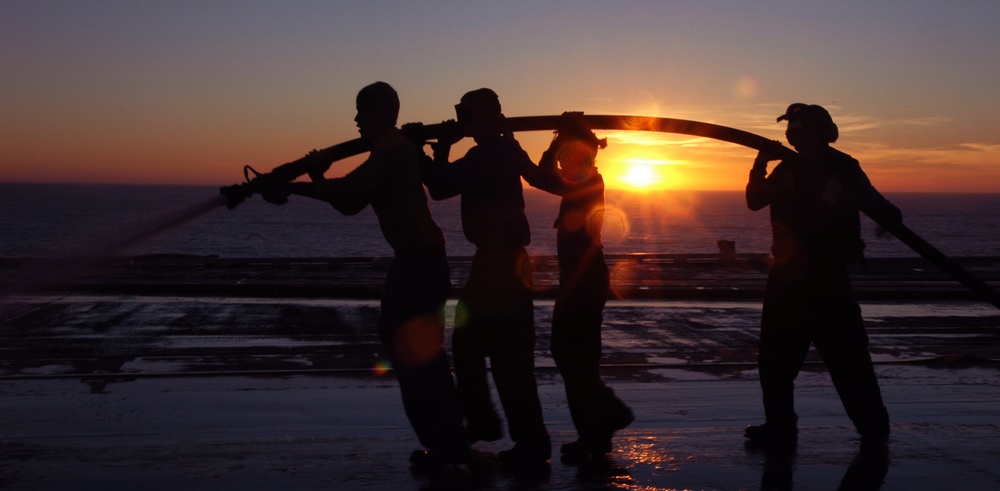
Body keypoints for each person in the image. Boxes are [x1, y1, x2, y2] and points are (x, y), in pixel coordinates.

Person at [260, 82, 470, 471]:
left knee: (420, 360)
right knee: (409, 355)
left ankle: (450, 447)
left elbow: (346, 190)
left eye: (363, 111)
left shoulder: (392, 150)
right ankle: (445, 446)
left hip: (421, 266)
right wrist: (316, 179)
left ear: (385, 112)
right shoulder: (385, 152)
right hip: (410, 264)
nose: (356, 119)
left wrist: (292, 185)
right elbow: (349, 204)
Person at [744, 103, 902, 448]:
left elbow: (876, 203)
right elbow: (755, 201)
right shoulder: (786, 169)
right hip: (787, 280)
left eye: (802, 131)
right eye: (794, 133)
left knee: (849, 362)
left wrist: (889, 218)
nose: (797, 138)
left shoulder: (843, 168)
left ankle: (874, 429)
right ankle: (780, 427)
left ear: (820, 133)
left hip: (827, 280)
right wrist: (759, 164)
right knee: (774, 364)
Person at [419, 88, 551, 468]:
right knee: (480, 345)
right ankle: (496, 428)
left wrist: (432, 151)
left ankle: (507, 433)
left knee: (499, 352)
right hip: (496, 262)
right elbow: (445, 183)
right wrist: (440, 151)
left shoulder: (490, 153)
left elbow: (441, 187)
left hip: (500, 266)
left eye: (467, 113)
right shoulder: (498, 150)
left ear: (488, 116)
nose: (462, 119)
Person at [519, 113, 633, 462]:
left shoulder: (584, 180)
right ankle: (599, 426)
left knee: (574, 355)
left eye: (569, 151)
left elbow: (537, 175)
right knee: (572, 356)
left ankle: (600, 426)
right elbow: (544, 172)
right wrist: (558, 140)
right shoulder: (579, 178)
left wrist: (525, 146)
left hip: (584, 279)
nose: (564, 157)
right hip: (578, 277)